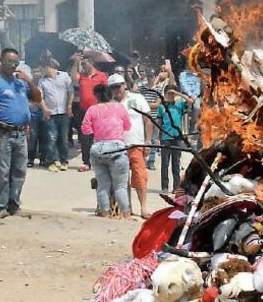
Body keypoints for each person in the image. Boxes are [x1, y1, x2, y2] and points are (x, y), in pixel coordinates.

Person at [0, 48, 42, 220]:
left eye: (16, 62)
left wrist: (29, 81)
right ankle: (0, 206)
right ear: (0, 60)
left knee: (19, 172)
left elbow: (37, 98)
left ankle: (14, 204)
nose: (13, 66)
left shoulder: (20, 83)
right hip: (2, 132)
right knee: (1, 172)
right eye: (9, 62)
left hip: (20, 133)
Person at [81, 83, 132, 218]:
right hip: (117, 148)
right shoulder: (119, 108)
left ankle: (105, 214)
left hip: (98, 148)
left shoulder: (92, 110)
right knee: (120, 186)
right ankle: (126, 215)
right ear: (111, 95)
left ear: (96, 96)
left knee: (103, 185)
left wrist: (98, 132)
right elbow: (128, 126)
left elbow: (85, 129)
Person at [114, 75, 153, 218]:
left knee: (140, 177)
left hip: (136, 144)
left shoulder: (137, 98)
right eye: (113, 87)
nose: (116, 90)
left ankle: (143, 208)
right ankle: (127, 207)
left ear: (124, 85)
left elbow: (148, 120)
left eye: (118, 86)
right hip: (118, 146)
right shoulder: (111, 102)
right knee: (122, 179)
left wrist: (148, 142)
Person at [69, 55, 108, 172]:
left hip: (99, 111)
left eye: (84, 64)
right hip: (84, 111)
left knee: (100, 137)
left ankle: (101, 161)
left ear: (91, 63)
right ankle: (86, 161)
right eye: (82, 64)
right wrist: (76, 63)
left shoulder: (101, 76)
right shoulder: (82, 76)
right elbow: (73, 78)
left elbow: (106, 93)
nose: (83, 66)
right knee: (85, 137)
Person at [38, 60, 74, 172]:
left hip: (63, 113)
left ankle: (64, 161)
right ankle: (51, 161)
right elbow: (40, 97)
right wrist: (44, 109)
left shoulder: (64, 76)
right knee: (51, 138)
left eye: (42, 69)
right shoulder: (42, 81)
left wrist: (69, 105)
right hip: (51, 114)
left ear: (48, 67)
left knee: (63, 138)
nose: (41, 71)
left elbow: (71, 91)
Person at [157, 85, 193, 192]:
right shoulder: (162, 107)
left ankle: (176, 187)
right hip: (165, 137)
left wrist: (178, 94)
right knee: (165, 163)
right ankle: (164, 187)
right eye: (169, 93)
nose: (170, 95)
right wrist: (159, 137)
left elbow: (190, 101)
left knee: (176, 164)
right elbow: (159, 122)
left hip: (177, 137)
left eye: (172, 93)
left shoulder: (179, 105)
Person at [26, 67, 48, 168]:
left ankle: (43, 159)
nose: (37, 73)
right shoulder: (28, 85)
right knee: (33, 138)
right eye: (35, 71)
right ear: (32, 73)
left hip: (44, 115)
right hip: (33, 115)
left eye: (38, 71)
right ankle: (30, 159)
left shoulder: (45, 83)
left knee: (44, 138)